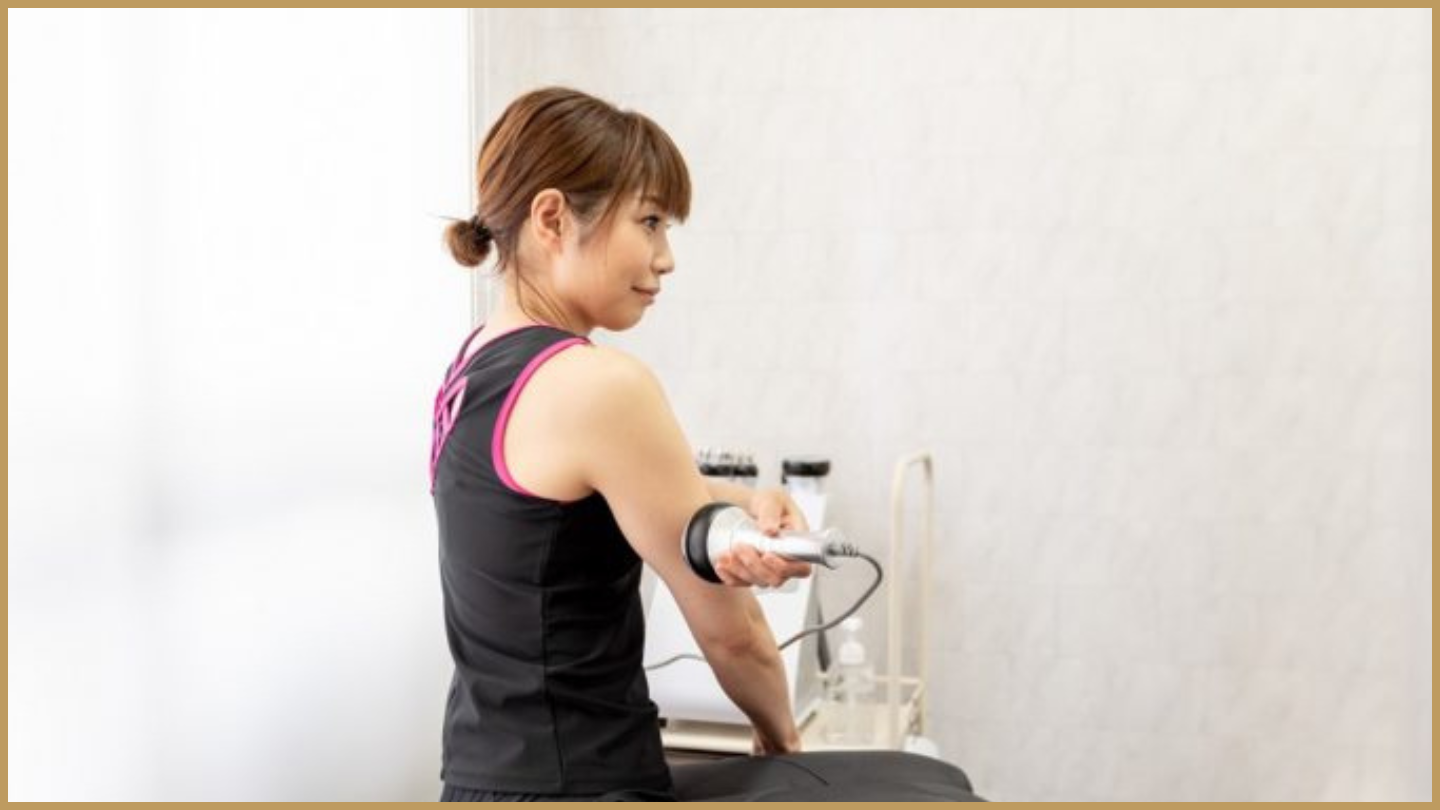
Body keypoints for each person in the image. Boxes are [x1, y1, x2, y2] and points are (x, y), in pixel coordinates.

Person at [430, 87, 814, 801]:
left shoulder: (473, 366)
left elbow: (569, 506)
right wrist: (784, 740)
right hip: (582, 784)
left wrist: (744, 500)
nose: (665, 258)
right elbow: (734, 634)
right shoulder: (602, 385)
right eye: (650, 222)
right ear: (552, 218)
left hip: (480, 778)